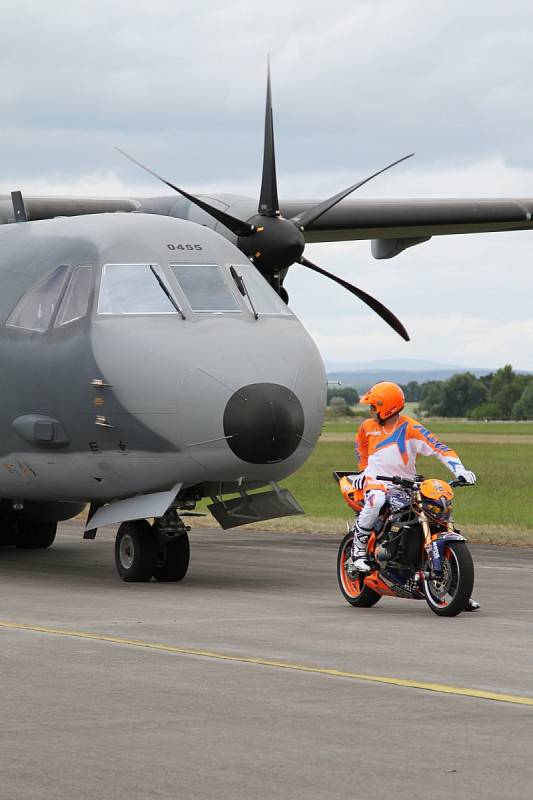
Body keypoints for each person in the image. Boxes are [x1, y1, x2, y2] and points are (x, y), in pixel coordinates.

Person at [349, 381, 480, 611]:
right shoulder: (367, 427)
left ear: (386, 407)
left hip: (406, 485)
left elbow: (439, 448)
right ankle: (359, 549)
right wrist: (362, 470)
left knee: (436, 515)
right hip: (375, 484)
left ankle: (457, 589)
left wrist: (460, 470)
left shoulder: (410, 428)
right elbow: (360, 446)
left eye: (373, 406)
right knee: (376, 500)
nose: (370, 411)